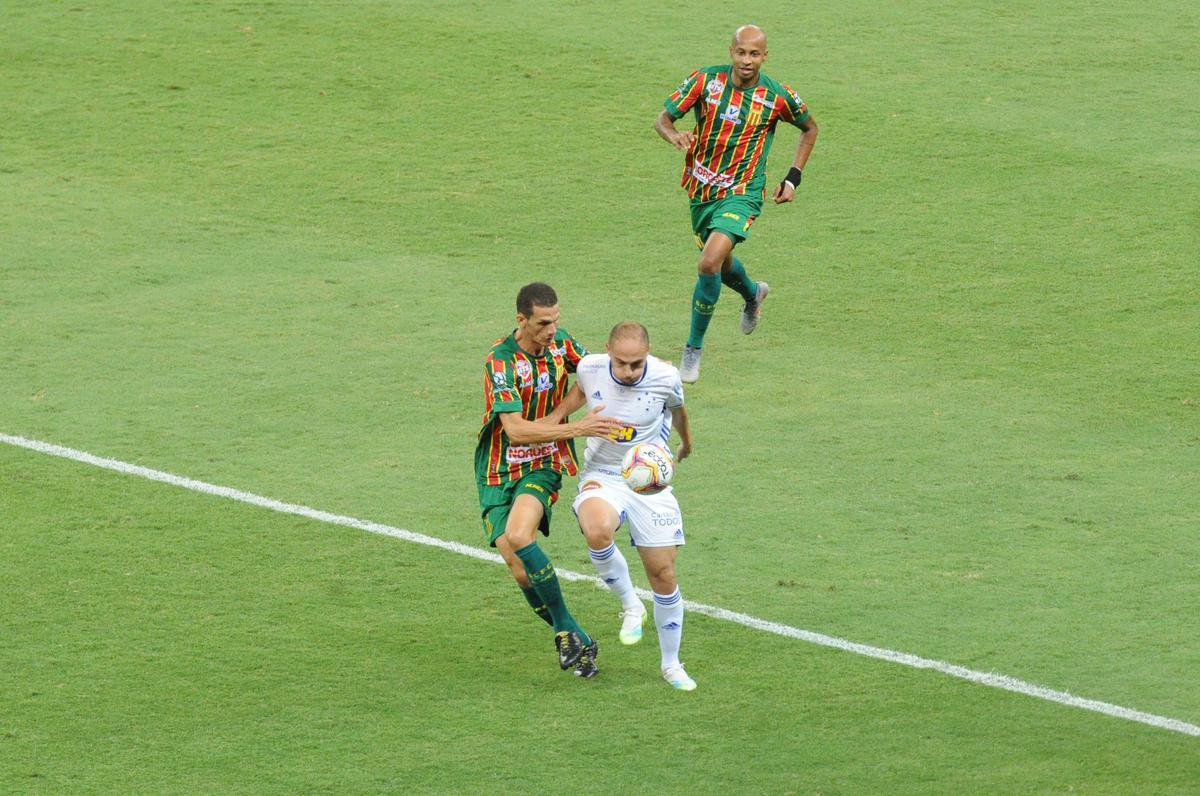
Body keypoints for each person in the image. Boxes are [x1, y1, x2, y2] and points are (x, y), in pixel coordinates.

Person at [654, 24, 820, 383]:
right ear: (731, 51)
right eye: (741, 52)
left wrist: (793, 177)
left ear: (765, 56)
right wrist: (673, 135)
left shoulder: (776, 96)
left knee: (709, 262)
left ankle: (692, 350)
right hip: (701, 190)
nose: (747, 60)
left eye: (755, 54)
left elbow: (810, 128)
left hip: (743, 191)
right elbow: (663, 119)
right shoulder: (705, 82)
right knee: (721, 263)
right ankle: (753, 293)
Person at [474, 282, 622, 678]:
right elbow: (517, 431)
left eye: (556, 321)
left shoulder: (561, 345)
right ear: (521, 320)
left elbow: (595, 377)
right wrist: (579, 428)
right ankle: (573, 635)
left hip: (543, 463)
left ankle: (567, 635)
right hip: (498, 468)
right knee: (518, 566)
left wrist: (559, 417)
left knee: (521, 537)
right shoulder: (501, 362)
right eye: (543, 323)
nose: (551, 330)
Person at [555, 321, 699, 690]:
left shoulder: (666, 377)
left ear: (647, 356)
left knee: (663, 575)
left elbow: (678, 410)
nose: (629, 371)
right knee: (598, 528)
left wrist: (686, 443)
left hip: (649, 480)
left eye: (637, 364)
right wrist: (563, 429)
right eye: (621, 363)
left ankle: (671, 665)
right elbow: (563, 411)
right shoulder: (590, 369)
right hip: (604, 473)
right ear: (608, 351)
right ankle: (631, 603)